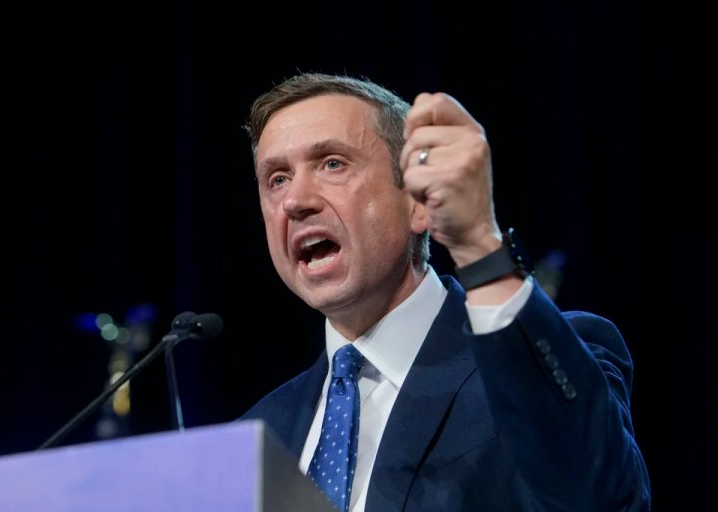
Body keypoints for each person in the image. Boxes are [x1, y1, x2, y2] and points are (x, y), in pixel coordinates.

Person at [239, 72, 651, 512]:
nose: (295, 201)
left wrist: (478, 243)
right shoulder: (257, 433)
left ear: (418, 200)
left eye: (332, 164)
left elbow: (599, 497)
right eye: (277, 178)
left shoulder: (538, 363)